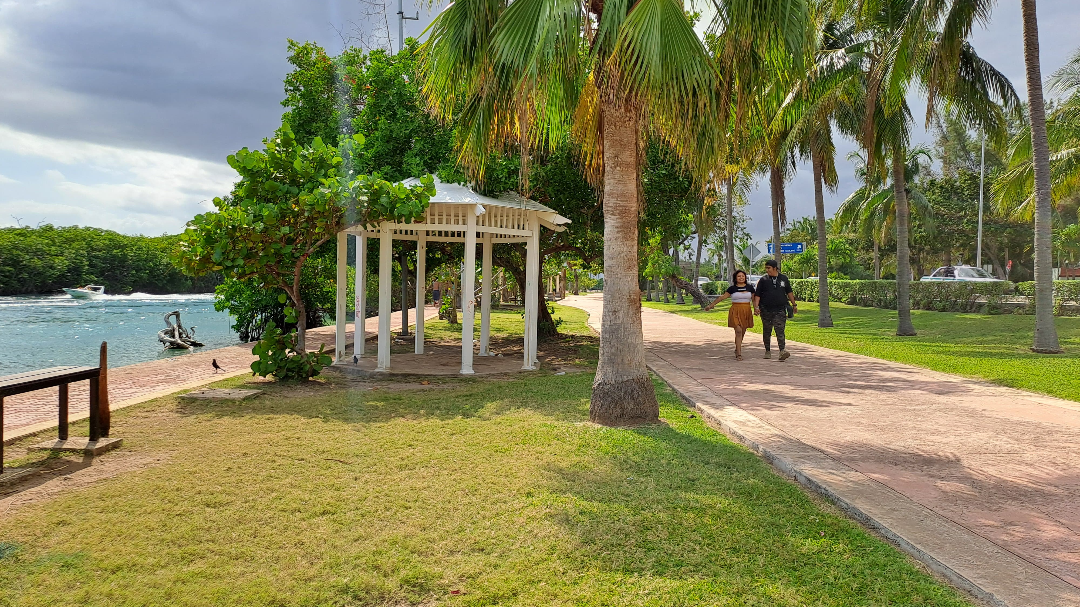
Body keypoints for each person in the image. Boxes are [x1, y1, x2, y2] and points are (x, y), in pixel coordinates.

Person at [704, 270, 755, 360]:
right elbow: (722, 297)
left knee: (742, 331)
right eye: (739, 276)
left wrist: (756, 308)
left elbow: (754, 300)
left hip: (746, 310)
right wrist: (711, 305)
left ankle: (737, 348)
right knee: (738, 331)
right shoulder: (732, 289)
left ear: (745, 277)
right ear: (735, 278)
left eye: (742, 276)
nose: (741, 278)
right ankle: (739, 354)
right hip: (735, 310)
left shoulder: (750, 288)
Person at [753, 259, 797, 361]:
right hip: (766, 309)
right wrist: (756, 307)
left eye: (769, 268)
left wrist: (794, 304)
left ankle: (782, 351)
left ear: (775, 268)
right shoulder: (763, 280)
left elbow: (789, 292)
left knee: (780, 330)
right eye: (766, 268)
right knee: (767, 330)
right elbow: (757, 295)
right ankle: (767, 350)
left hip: (780, 309)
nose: (767, 270)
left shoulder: (783, 278)